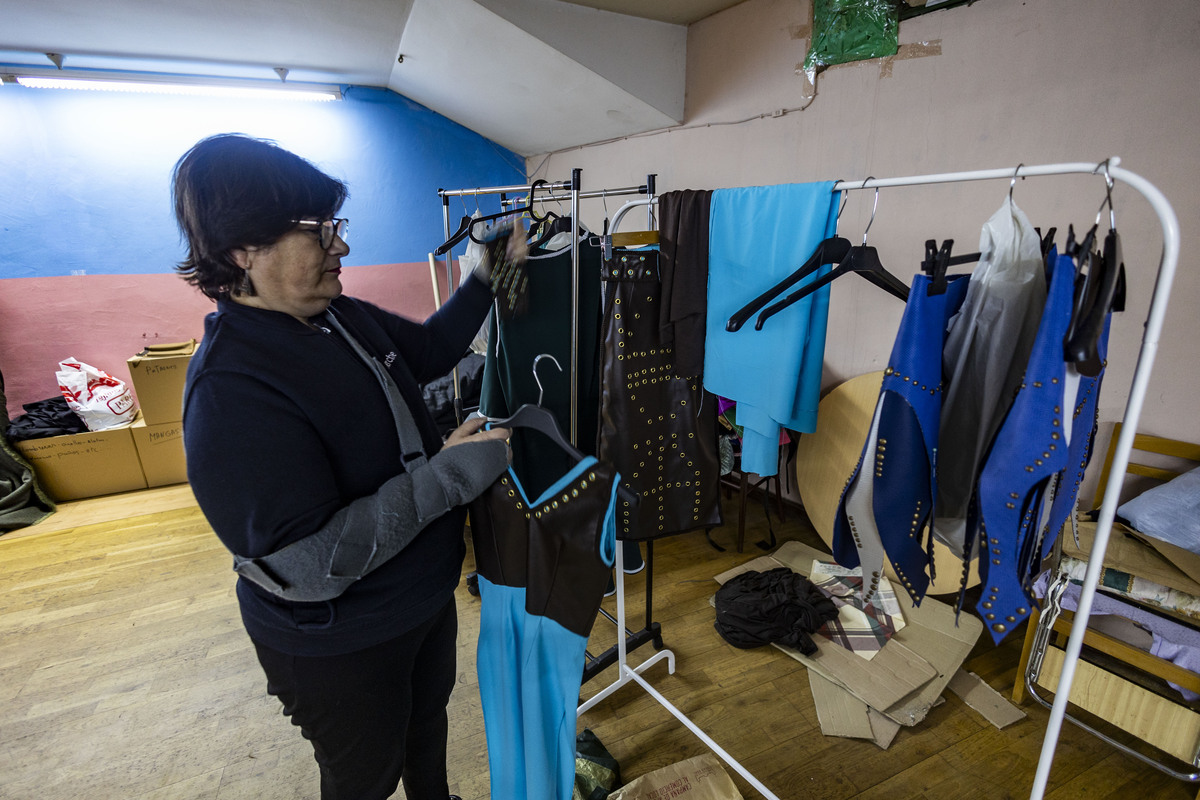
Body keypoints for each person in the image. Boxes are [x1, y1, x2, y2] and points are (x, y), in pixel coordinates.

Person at [172, 133, 510, 800]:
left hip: (418, 600)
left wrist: (486, 276)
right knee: (363, 777)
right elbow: (304, 562)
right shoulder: (232, 388)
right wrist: (446, 477)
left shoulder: (337, 318)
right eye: (318, 232)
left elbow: (434, 349)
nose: (342, 246)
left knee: (425, 734)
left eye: (336, 226)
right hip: (339, 644)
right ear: (244, 249)